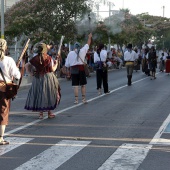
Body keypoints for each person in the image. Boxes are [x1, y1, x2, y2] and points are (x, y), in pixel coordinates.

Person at [24, 42, 61, 119]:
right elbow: (52, 69)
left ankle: (41, 114)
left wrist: (31, 73)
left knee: (40, 94)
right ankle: (49, 112)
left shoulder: (35, 58)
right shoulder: (48, 58)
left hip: (38, 78)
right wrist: (56, 63)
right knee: (49, 94)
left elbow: (26, 65)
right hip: (48, 78)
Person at [0, 39, 21, 145]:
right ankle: (0, 138)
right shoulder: (8, 60)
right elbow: (17, 75)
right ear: (5, 48)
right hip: (3, 88)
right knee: (3, 112)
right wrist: (16, 69)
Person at [65, 33, 92, 104]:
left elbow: (67, 64)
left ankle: (76, 100)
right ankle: (83, 99)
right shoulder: (83, 51)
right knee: (83, 85)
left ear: (74, 47)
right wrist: (89, 37)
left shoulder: (70, 53)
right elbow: (88, 44)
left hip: (74, 70)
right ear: (80, 46)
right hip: (81, 69)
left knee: (75, 86)